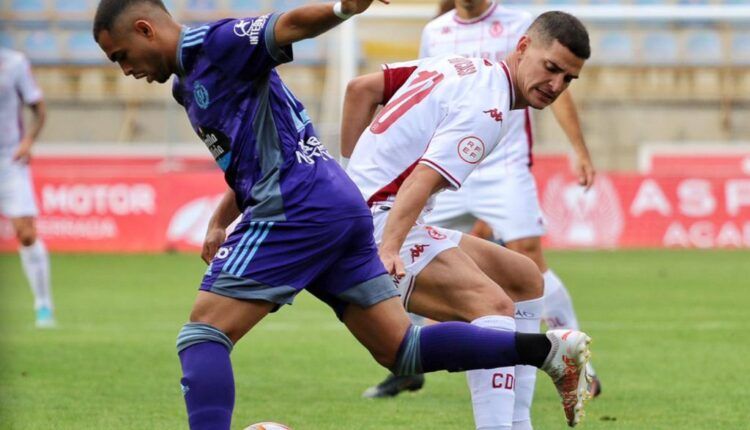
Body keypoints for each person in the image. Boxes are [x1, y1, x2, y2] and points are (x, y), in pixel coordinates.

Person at [93, 1, 591, 429]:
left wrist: (343, 7)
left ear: (145, 29)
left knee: (202, 334)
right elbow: (262, 151)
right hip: (339, 202)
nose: (125, 68)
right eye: (553, 70)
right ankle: (547, 351)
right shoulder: (189, 85)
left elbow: (287, 26)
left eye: (120, 57)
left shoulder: (216, 43)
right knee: (403, 350)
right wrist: (223, 217)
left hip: (306, 209)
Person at [341, 11, 593, 430]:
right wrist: (385, 248)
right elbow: (421, 180)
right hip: (378, 225)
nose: (556, 86)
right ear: (524, 47)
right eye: (551, 69)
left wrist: (350, 178)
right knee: (492, 306)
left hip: (380, 213)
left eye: (568, 79)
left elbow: (360, 88)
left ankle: (518, 422)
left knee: (524, 276)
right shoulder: (489, 109)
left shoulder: (462, 64)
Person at [0, 47, 55, 328]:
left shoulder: (14, 63)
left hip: (10, 160)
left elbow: (39, 109)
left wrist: (28, 141)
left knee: (26, 233)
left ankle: (43, 304)